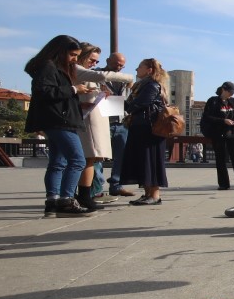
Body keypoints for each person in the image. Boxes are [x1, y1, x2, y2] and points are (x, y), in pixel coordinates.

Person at [25, 35, 94, 216]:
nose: (74, 59)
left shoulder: (51, 67)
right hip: (59, 121)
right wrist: (74, 89)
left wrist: (77, 100)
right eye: (72, 54)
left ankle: (53, 201)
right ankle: (66, 200)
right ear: (60, 51)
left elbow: (53, 95)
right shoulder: (48, 66)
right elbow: (44, 91)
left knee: (58, 162)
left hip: (56, 118)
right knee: (77, 160)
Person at [72, 42, 134, 210]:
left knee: (94, 158)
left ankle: (93, 192)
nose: (94, 63)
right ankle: (88, 193)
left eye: (122, 66)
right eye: (92, 60)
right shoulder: (87, 72)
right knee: (89, 158)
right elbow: (103, 76)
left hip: (113, 119)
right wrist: (130, 78)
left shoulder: (89, 73)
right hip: (92, 120)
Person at [119, 57, 170, 205]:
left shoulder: (152, 85)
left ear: (149, 70)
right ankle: (148, 193)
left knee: (150, 160)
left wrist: (121, 102)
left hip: (150, 129)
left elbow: (138, 104)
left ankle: (154, 195)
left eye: (139, 67)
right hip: (142, 127)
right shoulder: (142, 85)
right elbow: (131, 104)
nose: (136, 70)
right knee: (144, 160)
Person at [202, 82, 234, 190]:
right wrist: (223, 121)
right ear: (223, 90)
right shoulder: (213, 101)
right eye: (230, 92)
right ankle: (224, 184)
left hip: (233, 133)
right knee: (221, 159)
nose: (231, 95)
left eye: (233, 93)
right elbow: (207, 117)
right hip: (218, 134)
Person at [101, 52, 134, 197]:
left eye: (121, 65)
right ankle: (95, 186)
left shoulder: (124, 80)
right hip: (103, 121)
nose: (119, 67)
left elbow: (128, 100)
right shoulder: (97, 76)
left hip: (121, 122)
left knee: (122, 157)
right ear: (108, 61)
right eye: (116, 64)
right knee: (97, 156)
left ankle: (116, 185)